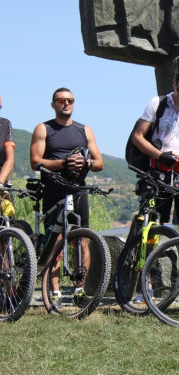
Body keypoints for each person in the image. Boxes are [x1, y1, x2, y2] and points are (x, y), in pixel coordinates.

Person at [133, 69, 179, 303]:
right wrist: (160, 155)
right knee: (152, 228)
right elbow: (138, 136)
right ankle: (145, 285)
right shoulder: (157, 103)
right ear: (173, 83)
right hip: (159, 172)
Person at [30, 87, 104, 308]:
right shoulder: (43, 128)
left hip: (78, 189)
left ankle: (79, 289)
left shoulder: (85, 130)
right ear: (53, 104)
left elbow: (99, 163)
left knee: (82, 239)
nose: (66, 103)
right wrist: (63, 163)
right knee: (56, 240)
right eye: (61, 100)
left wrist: (86, 163)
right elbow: (36, 161)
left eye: (70, 100)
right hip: (53, 189)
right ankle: (54, 292)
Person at [0, 93, 17, 312]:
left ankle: (10, 294)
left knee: (3, 243)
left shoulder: (5, 125)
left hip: (0, 188)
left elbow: (9, 160)